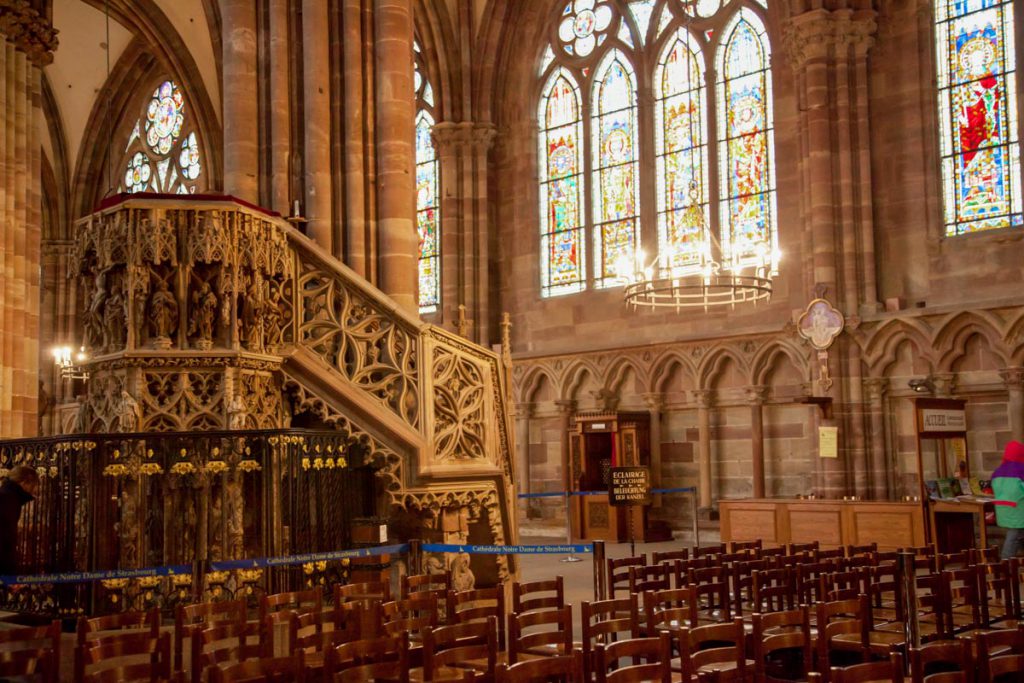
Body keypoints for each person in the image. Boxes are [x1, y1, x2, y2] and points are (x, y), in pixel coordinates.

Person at [0, 465, 41, 577]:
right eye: (33, 486)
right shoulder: (7, 500)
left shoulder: (9, 497)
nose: (33, 490)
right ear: (24, 482)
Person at [992, 440, 1024, 559]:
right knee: (1013, 538)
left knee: (1015, 536)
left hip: (1004, 511)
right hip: (1019, 511)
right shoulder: (1021, 470)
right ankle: (1005, 566)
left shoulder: (998, 471)